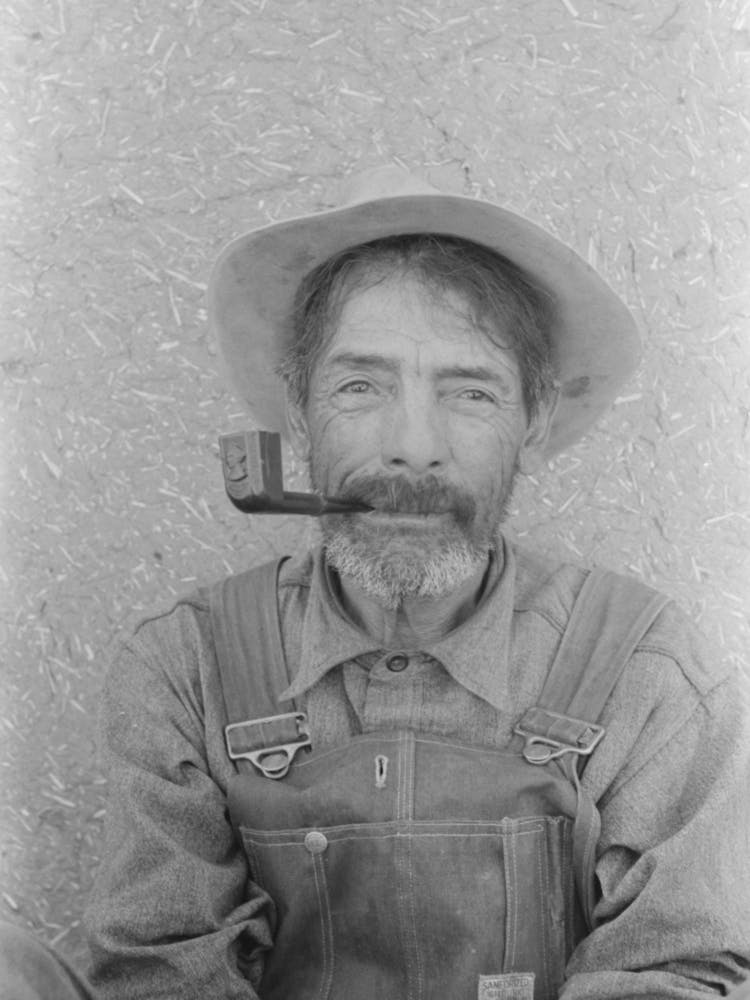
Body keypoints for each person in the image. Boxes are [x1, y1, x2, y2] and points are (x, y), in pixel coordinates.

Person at [3, 166, 748, 999]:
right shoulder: (183, 667)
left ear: (534, 421)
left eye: (470, 391)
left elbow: (673, 975)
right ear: (297, 410)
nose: (413, 447)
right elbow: (163, 976)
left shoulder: (646, 668)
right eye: (362, 386)